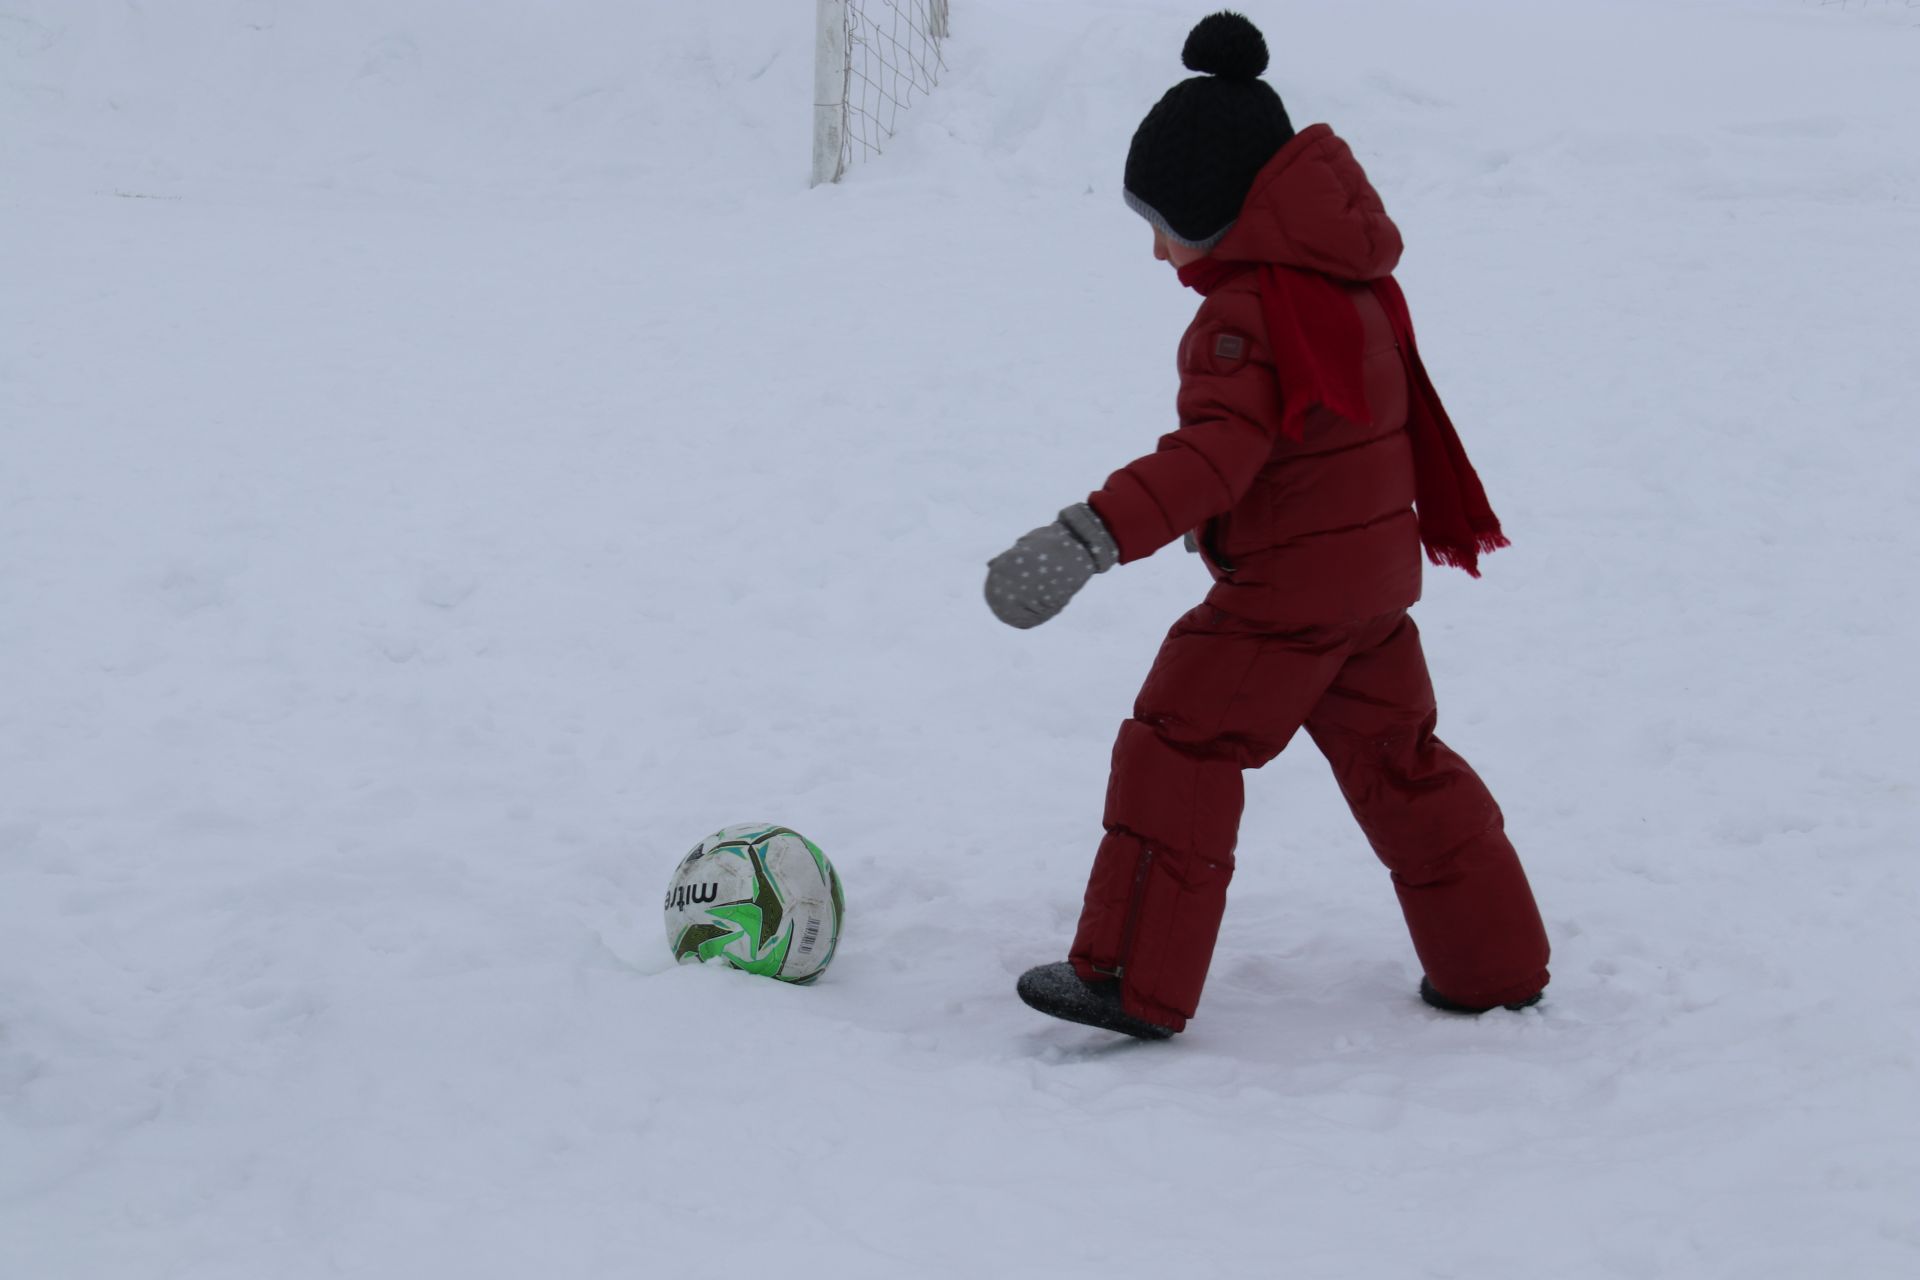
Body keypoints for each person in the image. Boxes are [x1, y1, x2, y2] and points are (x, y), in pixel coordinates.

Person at [984, 11, 1550, 1040]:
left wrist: (1085, 537)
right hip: (1371, 585)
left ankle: (1131, 978)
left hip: (1288, 596)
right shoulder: (1352, 281)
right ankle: (1496, 962)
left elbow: (1214, 459)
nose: (1156, 252)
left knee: (1180, 744)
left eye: (1163, 225)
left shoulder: (1247, 317)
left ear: (1219, 213)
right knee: (1401, 761)